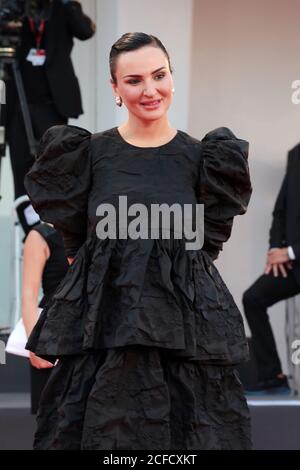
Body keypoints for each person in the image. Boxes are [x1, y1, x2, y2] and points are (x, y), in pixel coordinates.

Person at [25, 32, 252, 450]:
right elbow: (79, 252)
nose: (150, 90)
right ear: (115, 87)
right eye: (133, 80)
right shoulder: (86, 154)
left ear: (171, 76)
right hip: (106, 337)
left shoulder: (206, 159)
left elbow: (204, 251)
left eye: (159, 75)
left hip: (185, 339)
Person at [3, 0, 95, 233]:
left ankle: (54, 231)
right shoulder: (11, 6)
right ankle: (30, 232)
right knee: (22, 168)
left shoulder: (62, 7)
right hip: (16, 104)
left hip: (53, 105)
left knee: (53, 168)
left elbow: (85, 31)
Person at [243, 144, 300, 395]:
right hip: (292, 263)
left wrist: (290, 252)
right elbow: (281, 210)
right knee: (253, 298)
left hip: (294, 255)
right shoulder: (296, 154)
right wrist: (275, 251)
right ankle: (272, 374)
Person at [22, 222, 68, 413]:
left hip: (90, 334)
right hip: (52, 335)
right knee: (52, 419)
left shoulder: (95, 231)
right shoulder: (41, 235)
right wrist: (36, 346)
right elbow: (28, 295)